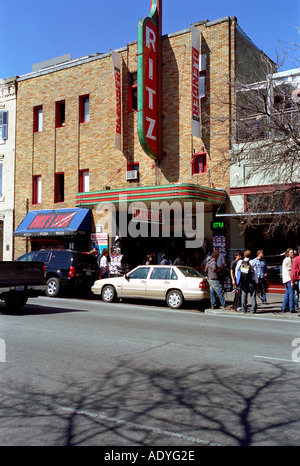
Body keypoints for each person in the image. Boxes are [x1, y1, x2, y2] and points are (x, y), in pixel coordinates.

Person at [236, 250, 258, 314]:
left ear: (244, 255)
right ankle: (252, 310)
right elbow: (255, 273)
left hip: (243, 281)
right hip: (251, 281)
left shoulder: (240, 262)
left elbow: (236, 270)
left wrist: (238, 279)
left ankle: (243, 309)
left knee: (244, 295)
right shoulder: (252, 262)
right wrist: (256, 281)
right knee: (253, 295)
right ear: (250, 255)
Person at [281, 248, 295, 313]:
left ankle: (284, 307)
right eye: (291, 252)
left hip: (285, 278)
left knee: (287, 293)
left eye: (292, 252)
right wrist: (292, 279)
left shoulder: (285, 259)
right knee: (291, 293)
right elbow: (290, 270)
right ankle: (291, 308)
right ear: (288, 253)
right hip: (289, 278)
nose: (293, 253)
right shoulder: (289, 259)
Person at [291, 247, 300, 314]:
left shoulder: (296, 259)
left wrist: (292, 281)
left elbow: (294, 271)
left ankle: (296, 305)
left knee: (296, 292)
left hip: (298, 278)